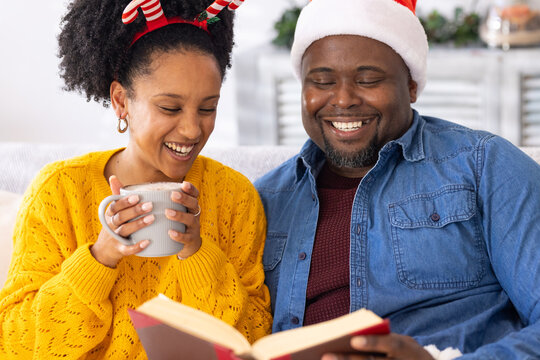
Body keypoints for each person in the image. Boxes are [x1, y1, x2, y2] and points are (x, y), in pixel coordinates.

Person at [255, 0, 540, 359]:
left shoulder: (484, 166)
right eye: (322, 81)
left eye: (369, 80)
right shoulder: (262, 200)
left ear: (411, 86)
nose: (342, 100)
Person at [0, 0, 272, 358]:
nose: (192, 129)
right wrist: (99, 259)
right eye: (170, 108)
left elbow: (254, 336)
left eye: (208, 108)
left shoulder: (235, 196)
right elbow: (14, 343)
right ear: (121, 100)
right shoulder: (60, 191)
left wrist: (197, 255)